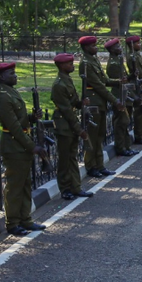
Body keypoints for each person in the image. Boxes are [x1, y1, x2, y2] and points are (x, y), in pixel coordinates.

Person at [0, 62, 48, 235]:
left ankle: (26, 219)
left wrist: (32, 117)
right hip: (14, 146)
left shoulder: (11, 92)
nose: (15, 76)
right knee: (15, 187)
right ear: (2, 77)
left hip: (21, 145)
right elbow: (14, 127)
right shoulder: (2, 96)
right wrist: (33, 147)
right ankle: (13, 223)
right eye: (11, 73)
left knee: (25, 184)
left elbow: (20, 119)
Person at [51, 53, 95, 201]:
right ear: (62, 66)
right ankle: (65, 189)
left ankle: (76, 187)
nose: (72, 65)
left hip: (70, 124)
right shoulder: (59, 84)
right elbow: (66, 111)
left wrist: (81, 103)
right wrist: (79, 130)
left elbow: (73, 102)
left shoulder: (67, 80)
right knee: (64, 160)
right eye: (69, 63)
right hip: (64, 125)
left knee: (72, 157)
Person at [78, 36, 123, 178]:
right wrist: (114, 100)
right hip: (94, 103)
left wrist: (118, 82)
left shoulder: (94, 60)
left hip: (100, 102)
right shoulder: (85, 63)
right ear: (86, 48)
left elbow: (104, 80)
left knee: (100, 136)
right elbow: (98, 86)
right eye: (93, 46)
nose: (96, 48)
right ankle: (91, 166)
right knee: (92, 136)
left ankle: (99, 165)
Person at [103, 38, 137, 156]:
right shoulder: (113, 63)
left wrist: (132, 75)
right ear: (112, 50)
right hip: (119, 94)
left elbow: (124, 78)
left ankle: (126, 146)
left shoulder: (118, 60)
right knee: (121, 122)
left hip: (124, 92)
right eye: (117, 46)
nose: (120, 47)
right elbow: (117, 81)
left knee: (125, 122)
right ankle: (121, 147)